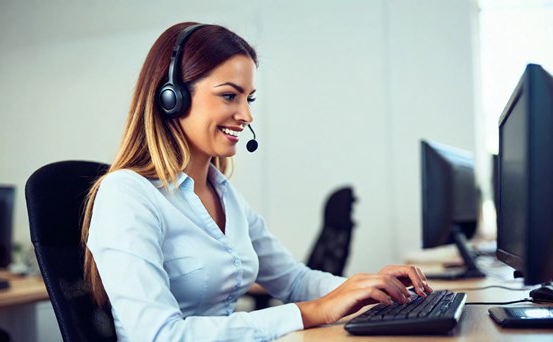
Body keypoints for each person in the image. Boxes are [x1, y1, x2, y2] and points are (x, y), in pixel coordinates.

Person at [81, 22, 433, 341]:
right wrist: (309, 313)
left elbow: (293, 280)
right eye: (229, 95)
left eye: (248, 99)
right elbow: (158, 335)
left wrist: (369, 288)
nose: (247, 115)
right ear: (172, 97)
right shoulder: (127, 196)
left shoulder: (224, 194)